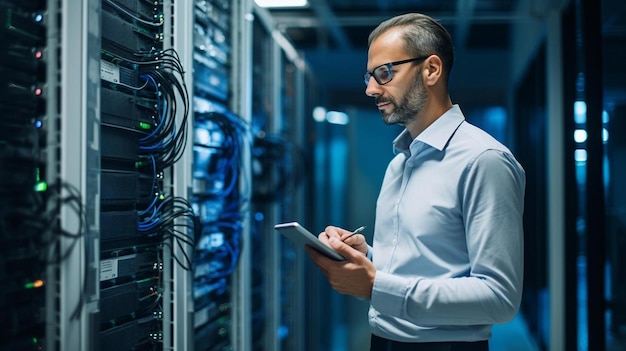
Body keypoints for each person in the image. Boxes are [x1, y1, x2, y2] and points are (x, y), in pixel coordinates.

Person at [305, 13, 526, 351]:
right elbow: (422, 265)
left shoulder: (483, 160)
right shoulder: (400, 164)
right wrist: (368, 257)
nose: (370, 89)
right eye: (369, 75)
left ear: (431, 70)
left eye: (385, 73)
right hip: (382, 341)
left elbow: (499, 298)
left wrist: (374, 286)